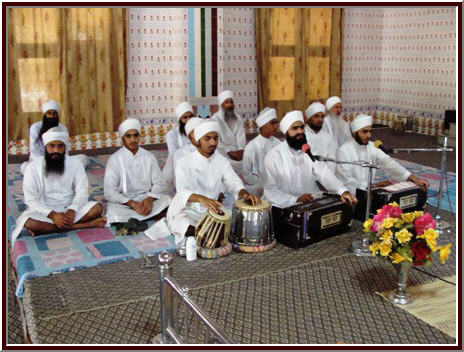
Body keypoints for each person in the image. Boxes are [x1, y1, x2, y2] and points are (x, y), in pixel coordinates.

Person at [166, 120, 261, 246]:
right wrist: (202, 199)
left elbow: (233, 181)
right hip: (190, 211)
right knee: (181, 222)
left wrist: (244, 194)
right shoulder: (184, 162)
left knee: (241, 220)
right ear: (198, 140)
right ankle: (201, 233)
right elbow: (182, 191)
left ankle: (207, 234)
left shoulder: (221, 161)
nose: (213, 143)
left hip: (214, 211)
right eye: (208, 138)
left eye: (216, 138)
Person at [11, 128, 105, 242]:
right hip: (44, 210)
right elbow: (30, 199)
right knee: (29, 223)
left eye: (60, 146)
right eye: (52, 146)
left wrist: (72, 209)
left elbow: (82, 191)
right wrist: (52, 215)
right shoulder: (32, 167)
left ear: (65, 147)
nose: (56, 150)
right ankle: (84, 225)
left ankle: (51, 229)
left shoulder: (75, 164)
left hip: (70, 208)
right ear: (45, 147)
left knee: (97, 208)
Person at [263, 110, 358, 209]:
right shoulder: (275, 155)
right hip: (284, 207)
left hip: (308, 204)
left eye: (302, 127)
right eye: (295, 128)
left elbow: (323, 172)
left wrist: (342, 191)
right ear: (286, 132)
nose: (300, 131)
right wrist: (295, 200)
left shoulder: (307, 151)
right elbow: (270, 190)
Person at [335, 114, 429, 195]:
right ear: (354, 133)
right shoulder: (343, 151)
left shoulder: (372, 146)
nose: (369, 135)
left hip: (369, 191)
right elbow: (346, 180)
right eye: (365, 131)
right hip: (349, 194)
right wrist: (374, 186)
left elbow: (390, 164)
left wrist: (414, 178)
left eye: (370, 131)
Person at [104, 119, 171, 224]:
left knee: (168, 199)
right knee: (112, 212)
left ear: (139, 136)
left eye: (136, 135)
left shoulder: (149, 157)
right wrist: (133, 204)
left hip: (146, 198)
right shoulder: (115, 159)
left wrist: (150, 199)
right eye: (128, 136)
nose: (133, 139)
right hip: (125, 202)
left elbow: (160, 183)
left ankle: (137, 217)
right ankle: (150, 215)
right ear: (122, 138)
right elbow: (109, 192)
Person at [20, 100, 89, 174]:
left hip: (59, 159)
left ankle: (54, 173)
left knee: (83, 158)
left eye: (54, 114)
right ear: (44, 114)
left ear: (57, 115)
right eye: (49, 113)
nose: (51, 116)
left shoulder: (62, 128)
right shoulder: (35, 127)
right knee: (25, 166)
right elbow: (34, 151)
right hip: (41, 160)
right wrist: (45, 162)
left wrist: (61, 161)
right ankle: (60, 173)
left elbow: (66, 149)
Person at [242, 107, 280, 195]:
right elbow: (247, 174)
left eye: (276, 123)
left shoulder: (278, 143)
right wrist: (263, 183)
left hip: (278, 184)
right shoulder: (252, 146)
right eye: (272, 123)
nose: (276, 126)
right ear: (262, 125)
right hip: (258, 187)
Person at [162, 117, 204, 196]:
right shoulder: (179, 154)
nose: (199, 135)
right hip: (191, 195)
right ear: (189, 136)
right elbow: (180, 182)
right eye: (194, 132)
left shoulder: (212, 151)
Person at [211, 90, 246, 173]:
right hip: (223, 150)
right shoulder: (214, 119)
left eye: (231, 102)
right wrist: (229, 152)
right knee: (221, 159)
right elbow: (217, 141)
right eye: (226, 102)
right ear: (221, 105)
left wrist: (241, 150)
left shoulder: (237, 118)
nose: (230, 105)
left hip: (237, 150)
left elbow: (241, 136)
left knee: (249, 159)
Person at [304, 102, 337, 172]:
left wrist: (326, 178)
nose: (320, 119)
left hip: (325, 178)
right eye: (316, 116)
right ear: (308, 118)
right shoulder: (301, 136)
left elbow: (331, 161)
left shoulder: (328, 137)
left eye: (322, 116)